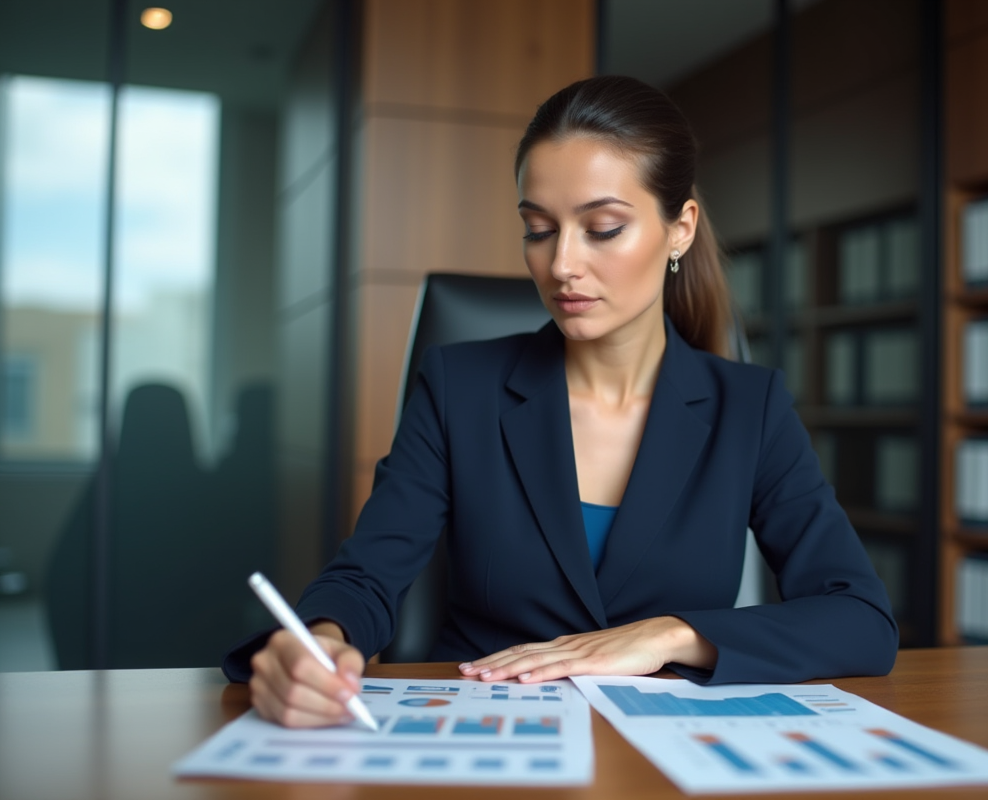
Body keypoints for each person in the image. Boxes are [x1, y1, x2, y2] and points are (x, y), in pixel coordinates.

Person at [225, 75, 898, 728]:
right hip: (486, 738)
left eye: (602, 228)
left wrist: (670, 635)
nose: (562, 264)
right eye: (539, 229)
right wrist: (319, 640)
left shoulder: (748, 408)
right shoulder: (461, 387)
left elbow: (861, 618)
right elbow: (368, 573)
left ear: (681, 228)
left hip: (660, 755)